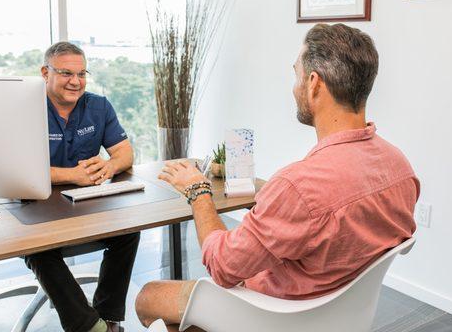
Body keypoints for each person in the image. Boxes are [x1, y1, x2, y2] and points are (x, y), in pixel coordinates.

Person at [135, 23, 420, 331]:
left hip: (275, 316)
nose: (293, 85)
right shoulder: (400, 168)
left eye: (295, 73)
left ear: (314, 83)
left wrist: (197, 191)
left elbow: (222, 266)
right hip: (341, 318)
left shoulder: (297, 186)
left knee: (149, 297)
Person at [25, 42, 138, 332]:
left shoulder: (98, 106)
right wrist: (71, 175)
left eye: (81, 73)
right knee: (38, 249)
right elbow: (18, 169)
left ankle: (108, 317)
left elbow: (125, 153)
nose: (75, 82)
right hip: (36, 211)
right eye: (65, 73)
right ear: (45, 73)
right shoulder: (25, 108)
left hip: (86, 204)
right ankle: (90, 328)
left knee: (129, 230)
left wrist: (110, 166)